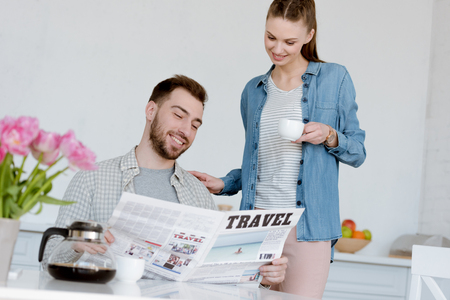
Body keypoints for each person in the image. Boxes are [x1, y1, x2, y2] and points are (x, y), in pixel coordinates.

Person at [189, 1, 366, 298]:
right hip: (255, 222)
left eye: (290, 41)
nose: (278, 48)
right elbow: (259, 162)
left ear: (309, 35)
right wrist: (225, 184)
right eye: (271, 37)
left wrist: (329, 135)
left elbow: (358, 151)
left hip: (308, 228)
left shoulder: (335, 79)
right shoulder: (253, 91)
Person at [41, 75, 287, 286]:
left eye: (195, 125)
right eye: (179, 115)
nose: (186, 130)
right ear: (151, 111)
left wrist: (260, 275)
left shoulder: (199, 194)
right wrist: (76, 245)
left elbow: (211, 275)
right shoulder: (91, 177)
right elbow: (48, 258)